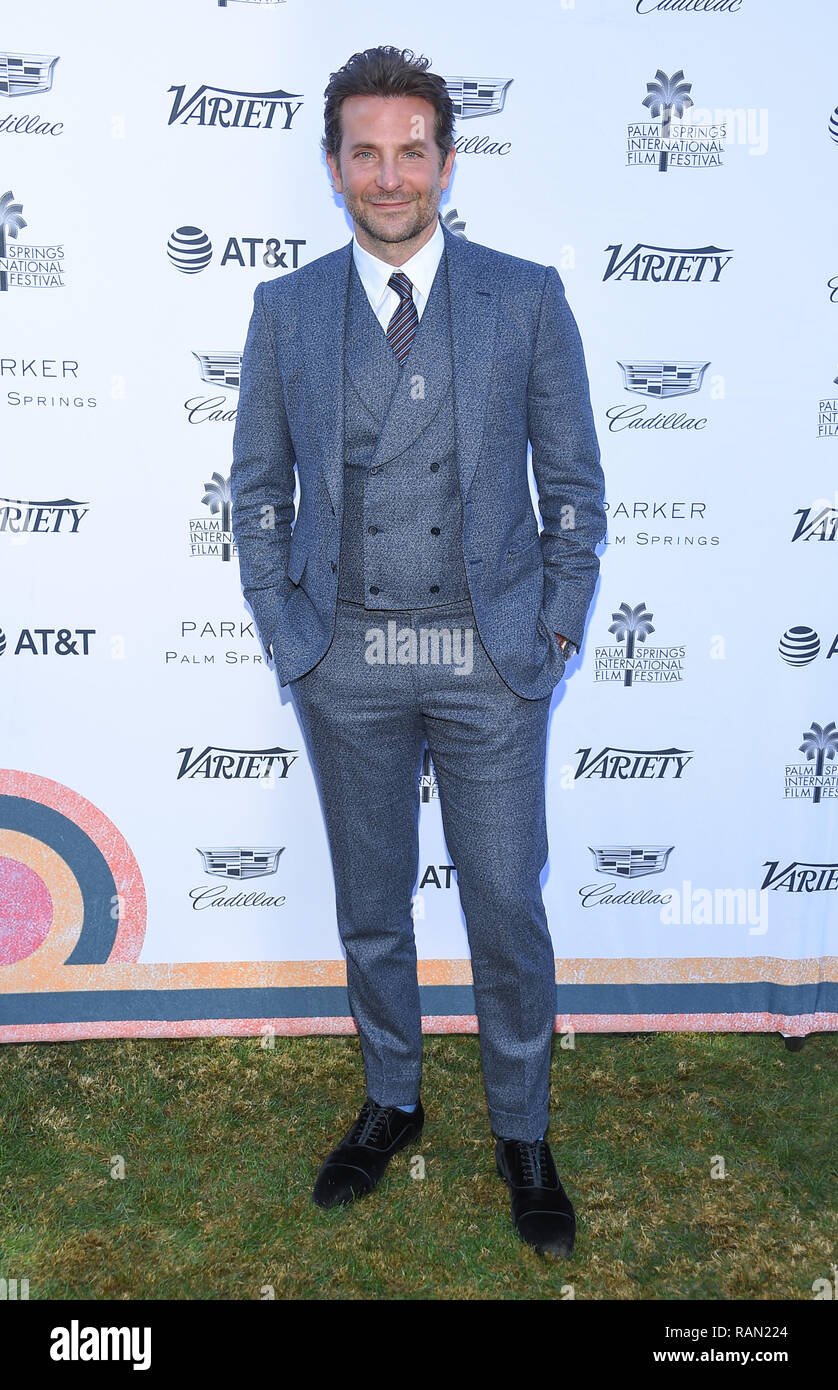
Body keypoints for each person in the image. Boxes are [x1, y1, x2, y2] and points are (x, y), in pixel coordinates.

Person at [230, 45, 606, 1259]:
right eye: (364, 152)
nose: (388, 175)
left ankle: (523, 1130)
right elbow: (252, 494)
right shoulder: (286, 310)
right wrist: (295, 635)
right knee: (371, 906)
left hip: (487, 654)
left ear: (447, 159)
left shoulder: (525, 295)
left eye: (411, 150)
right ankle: (390, 1100)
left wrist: (548, 627)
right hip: (345, 654)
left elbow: (577, 492)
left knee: (503, 904)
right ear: (333, 164)